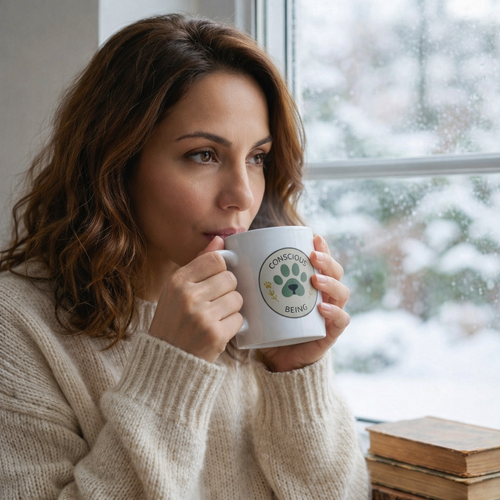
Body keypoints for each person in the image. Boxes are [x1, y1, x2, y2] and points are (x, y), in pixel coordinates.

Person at [0, 14, 370, 499]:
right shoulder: (17, 326)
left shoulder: (258, 313)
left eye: (257, 158)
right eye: (203, 155)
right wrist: (170, 368)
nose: (242, 194)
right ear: (116, 163)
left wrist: (296, 375)